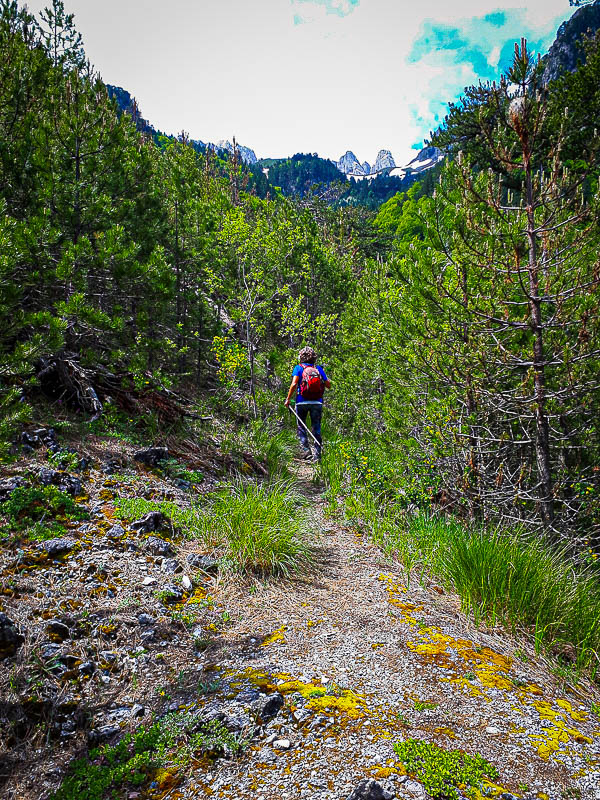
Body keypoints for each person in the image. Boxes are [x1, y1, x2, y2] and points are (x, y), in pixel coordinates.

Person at [284, 346, 331, 461]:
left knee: (301, 426)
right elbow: (328, 385)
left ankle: (306, 451)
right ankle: (317, 455)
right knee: (316, 427)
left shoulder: (298, 368)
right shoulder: (318, 369)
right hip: (317, 402)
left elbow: (294, 384)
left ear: (301, 357)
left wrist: (288, 399)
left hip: (301, 401)